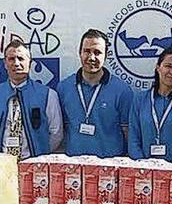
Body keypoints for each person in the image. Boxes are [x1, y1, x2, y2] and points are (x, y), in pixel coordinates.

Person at [57, 29, 134, 157]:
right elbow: (60, 131)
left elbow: (128, 133)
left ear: (106, 55)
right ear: (79, 53)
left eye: (97, 52)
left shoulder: (122, 90)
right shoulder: (64, 88)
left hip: (109, 167)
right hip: (73, 167)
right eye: (87, 51)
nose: (91, 57)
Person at [0, 40, 63, 159]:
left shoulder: (48, 95)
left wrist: (39, 153)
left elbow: (56, 133)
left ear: (30, 63)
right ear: (5, 63)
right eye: (11, 59)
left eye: (21, 58)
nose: (16, 63)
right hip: (1, 165)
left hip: (34, 164)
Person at [128, 46, 172, 161]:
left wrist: (168, 170)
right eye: (168, 66)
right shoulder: (140, 99)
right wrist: (143, 167)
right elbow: (133, 140)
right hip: (143, 171)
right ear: (158, 68)